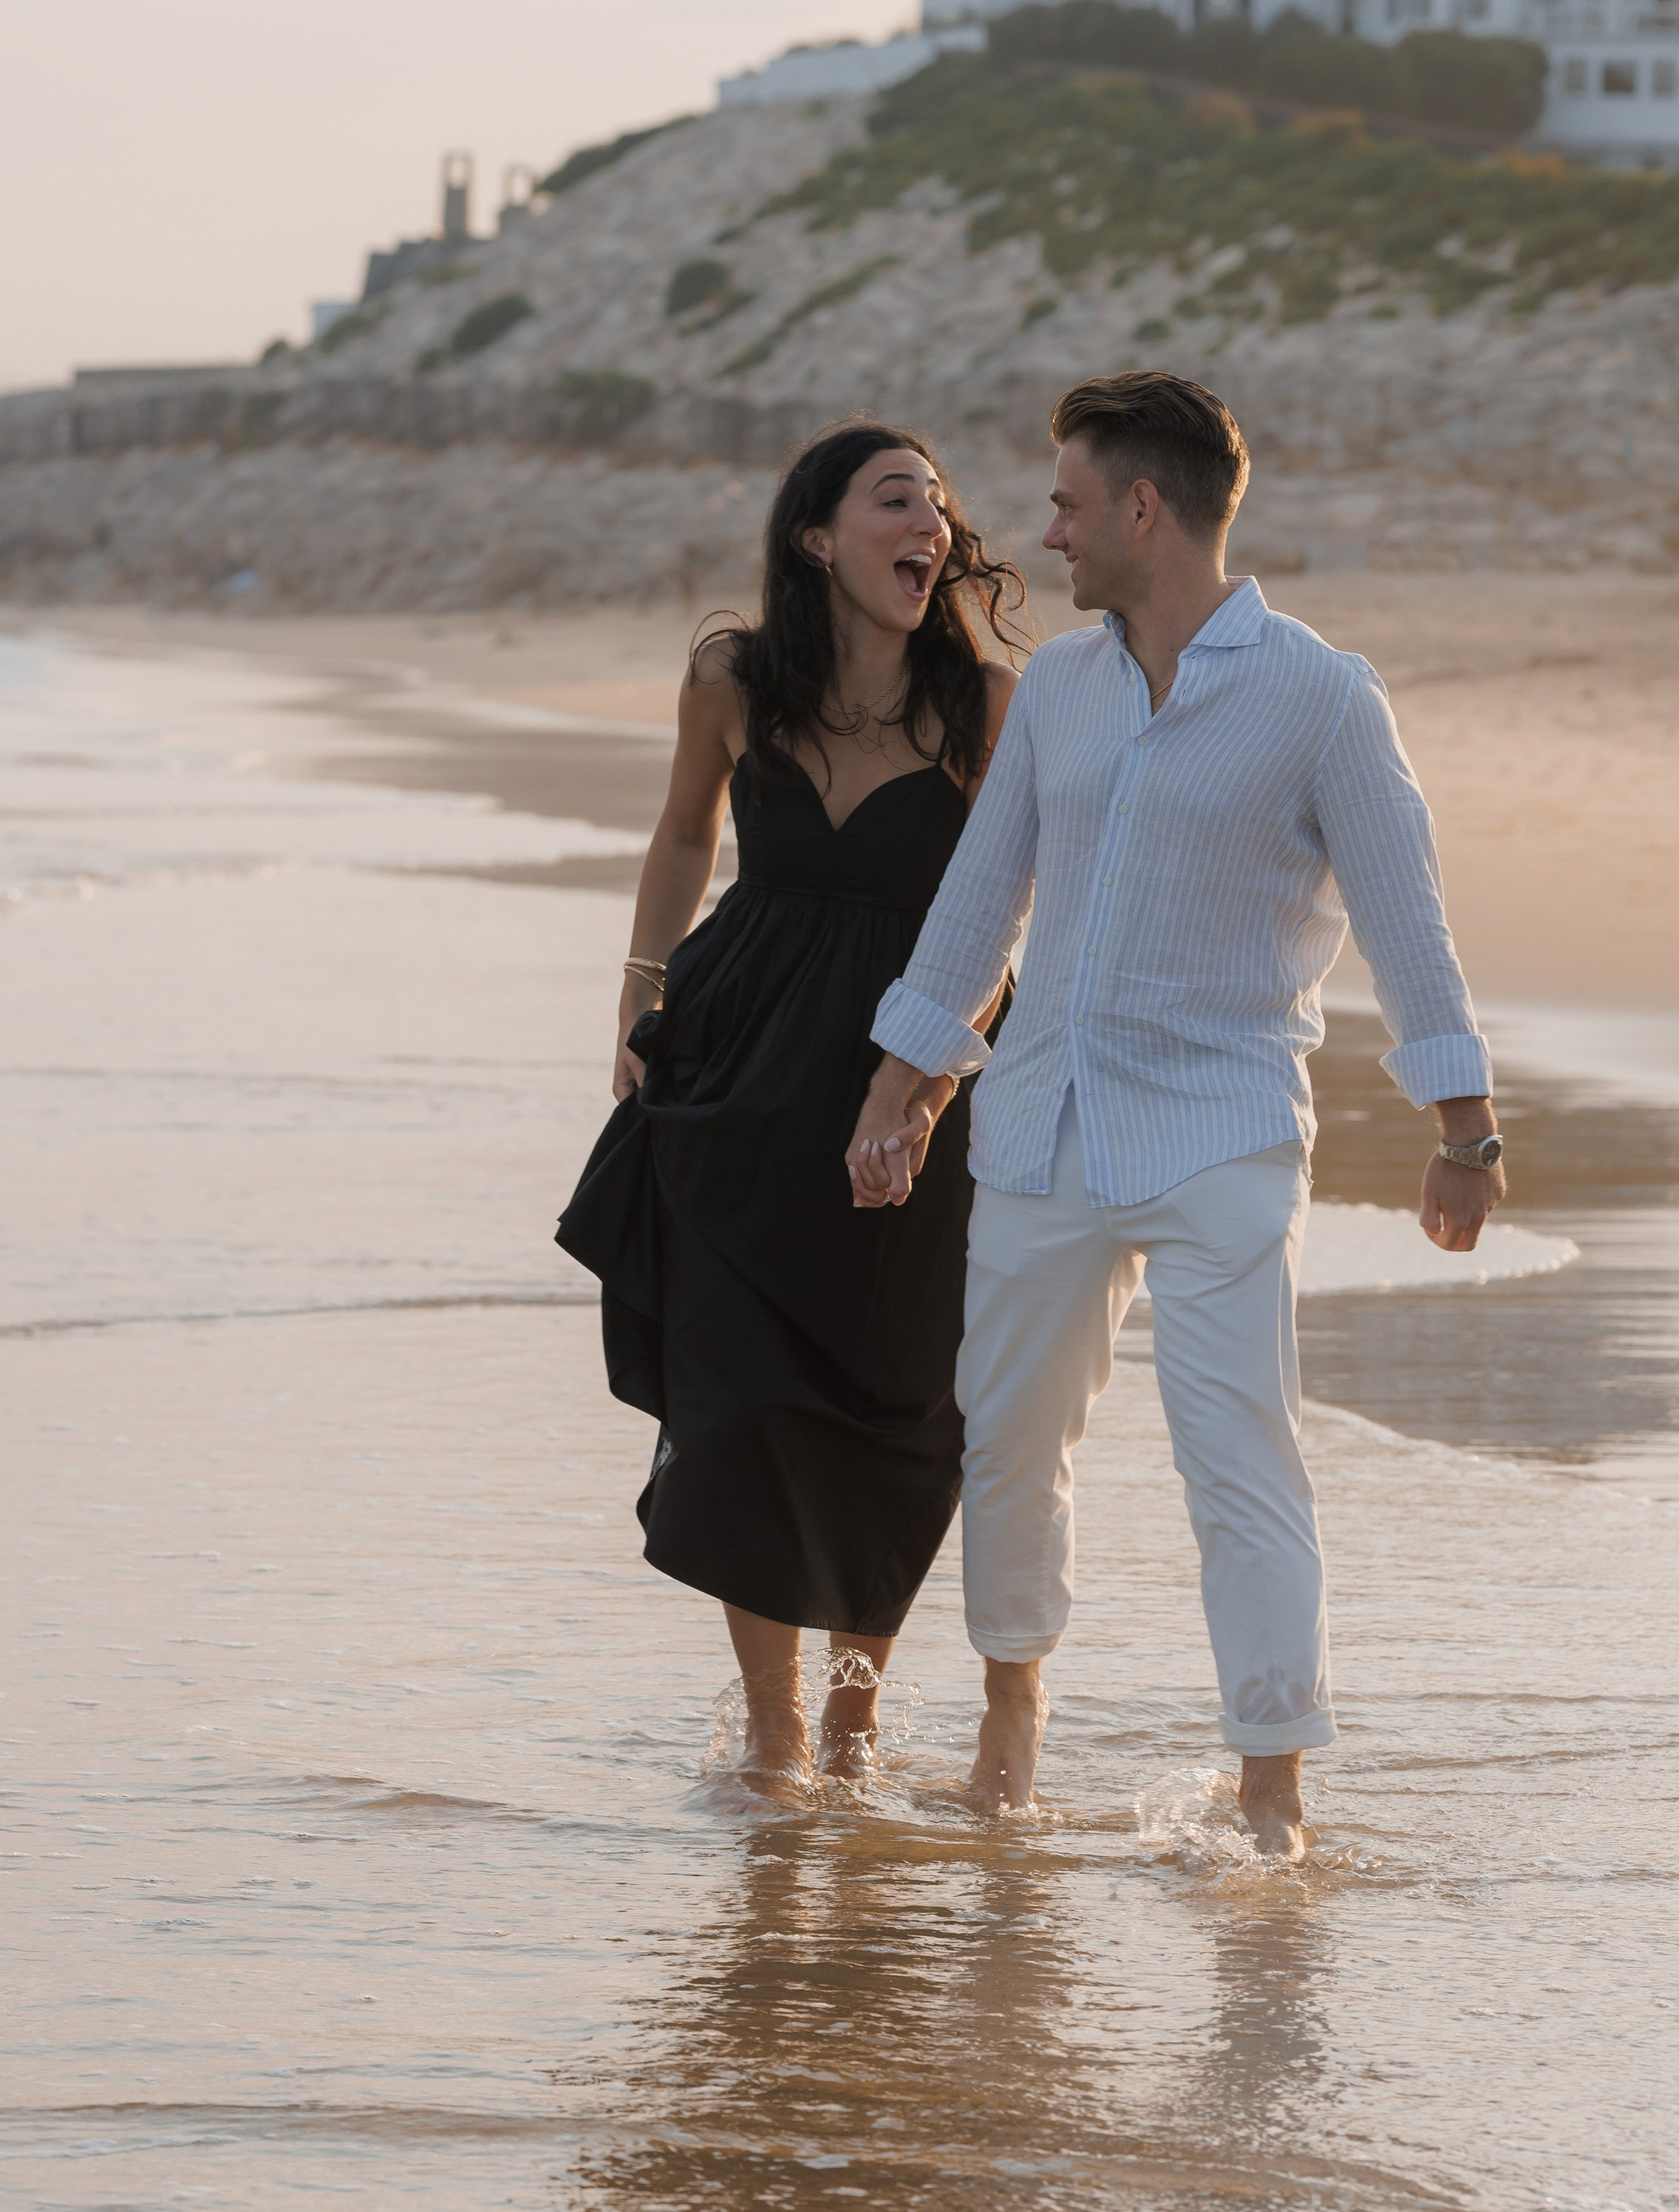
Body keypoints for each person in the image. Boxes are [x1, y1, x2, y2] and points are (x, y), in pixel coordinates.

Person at [845, 370, 1505, 1856]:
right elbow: (983, 896)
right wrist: (909, 1079)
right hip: (1045, 1122)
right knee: (1010, 1437)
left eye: (1071, 503)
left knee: (1239, 1452)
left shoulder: (1322, 695)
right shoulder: (1064, 690)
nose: (1050, 532)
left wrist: (1465, 1133)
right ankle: (1010, 1722)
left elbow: (1410, 924)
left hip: (1224, 1131)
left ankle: (1272, 1792)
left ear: (1146, 509)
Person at [557, 423, 1024, 1787]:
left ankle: (856, 1709)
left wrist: (937, 1076)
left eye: (939, 507)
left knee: (902, 1402)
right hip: (741, 1060)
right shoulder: (733, 680)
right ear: (817, 536)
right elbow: (686, 832)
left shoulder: (985, 704)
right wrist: (640, 997)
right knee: (739, 1397)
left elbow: (999, 914)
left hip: (912, 1065)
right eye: (896, 501)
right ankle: (772, 1725)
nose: (928, 526)